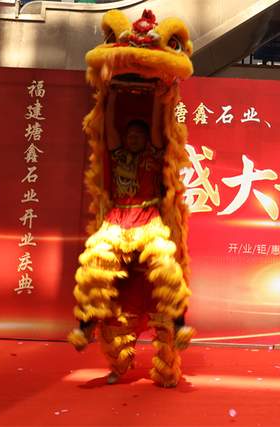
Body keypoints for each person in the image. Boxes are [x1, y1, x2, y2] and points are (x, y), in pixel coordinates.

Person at [67, 9, 196, 388]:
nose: (134, 138)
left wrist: (160, 98)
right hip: (117, 219)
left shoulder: (152, 155)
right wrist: (106, 98)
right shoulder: (117, 153)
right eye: (131, 135)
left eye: (139, 135)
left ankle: (178, 323)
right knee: (94, 263)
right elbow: (107, 130)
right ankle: (85, 324)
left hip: (148, 218)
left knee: (167, 268)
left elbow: (157, 126)